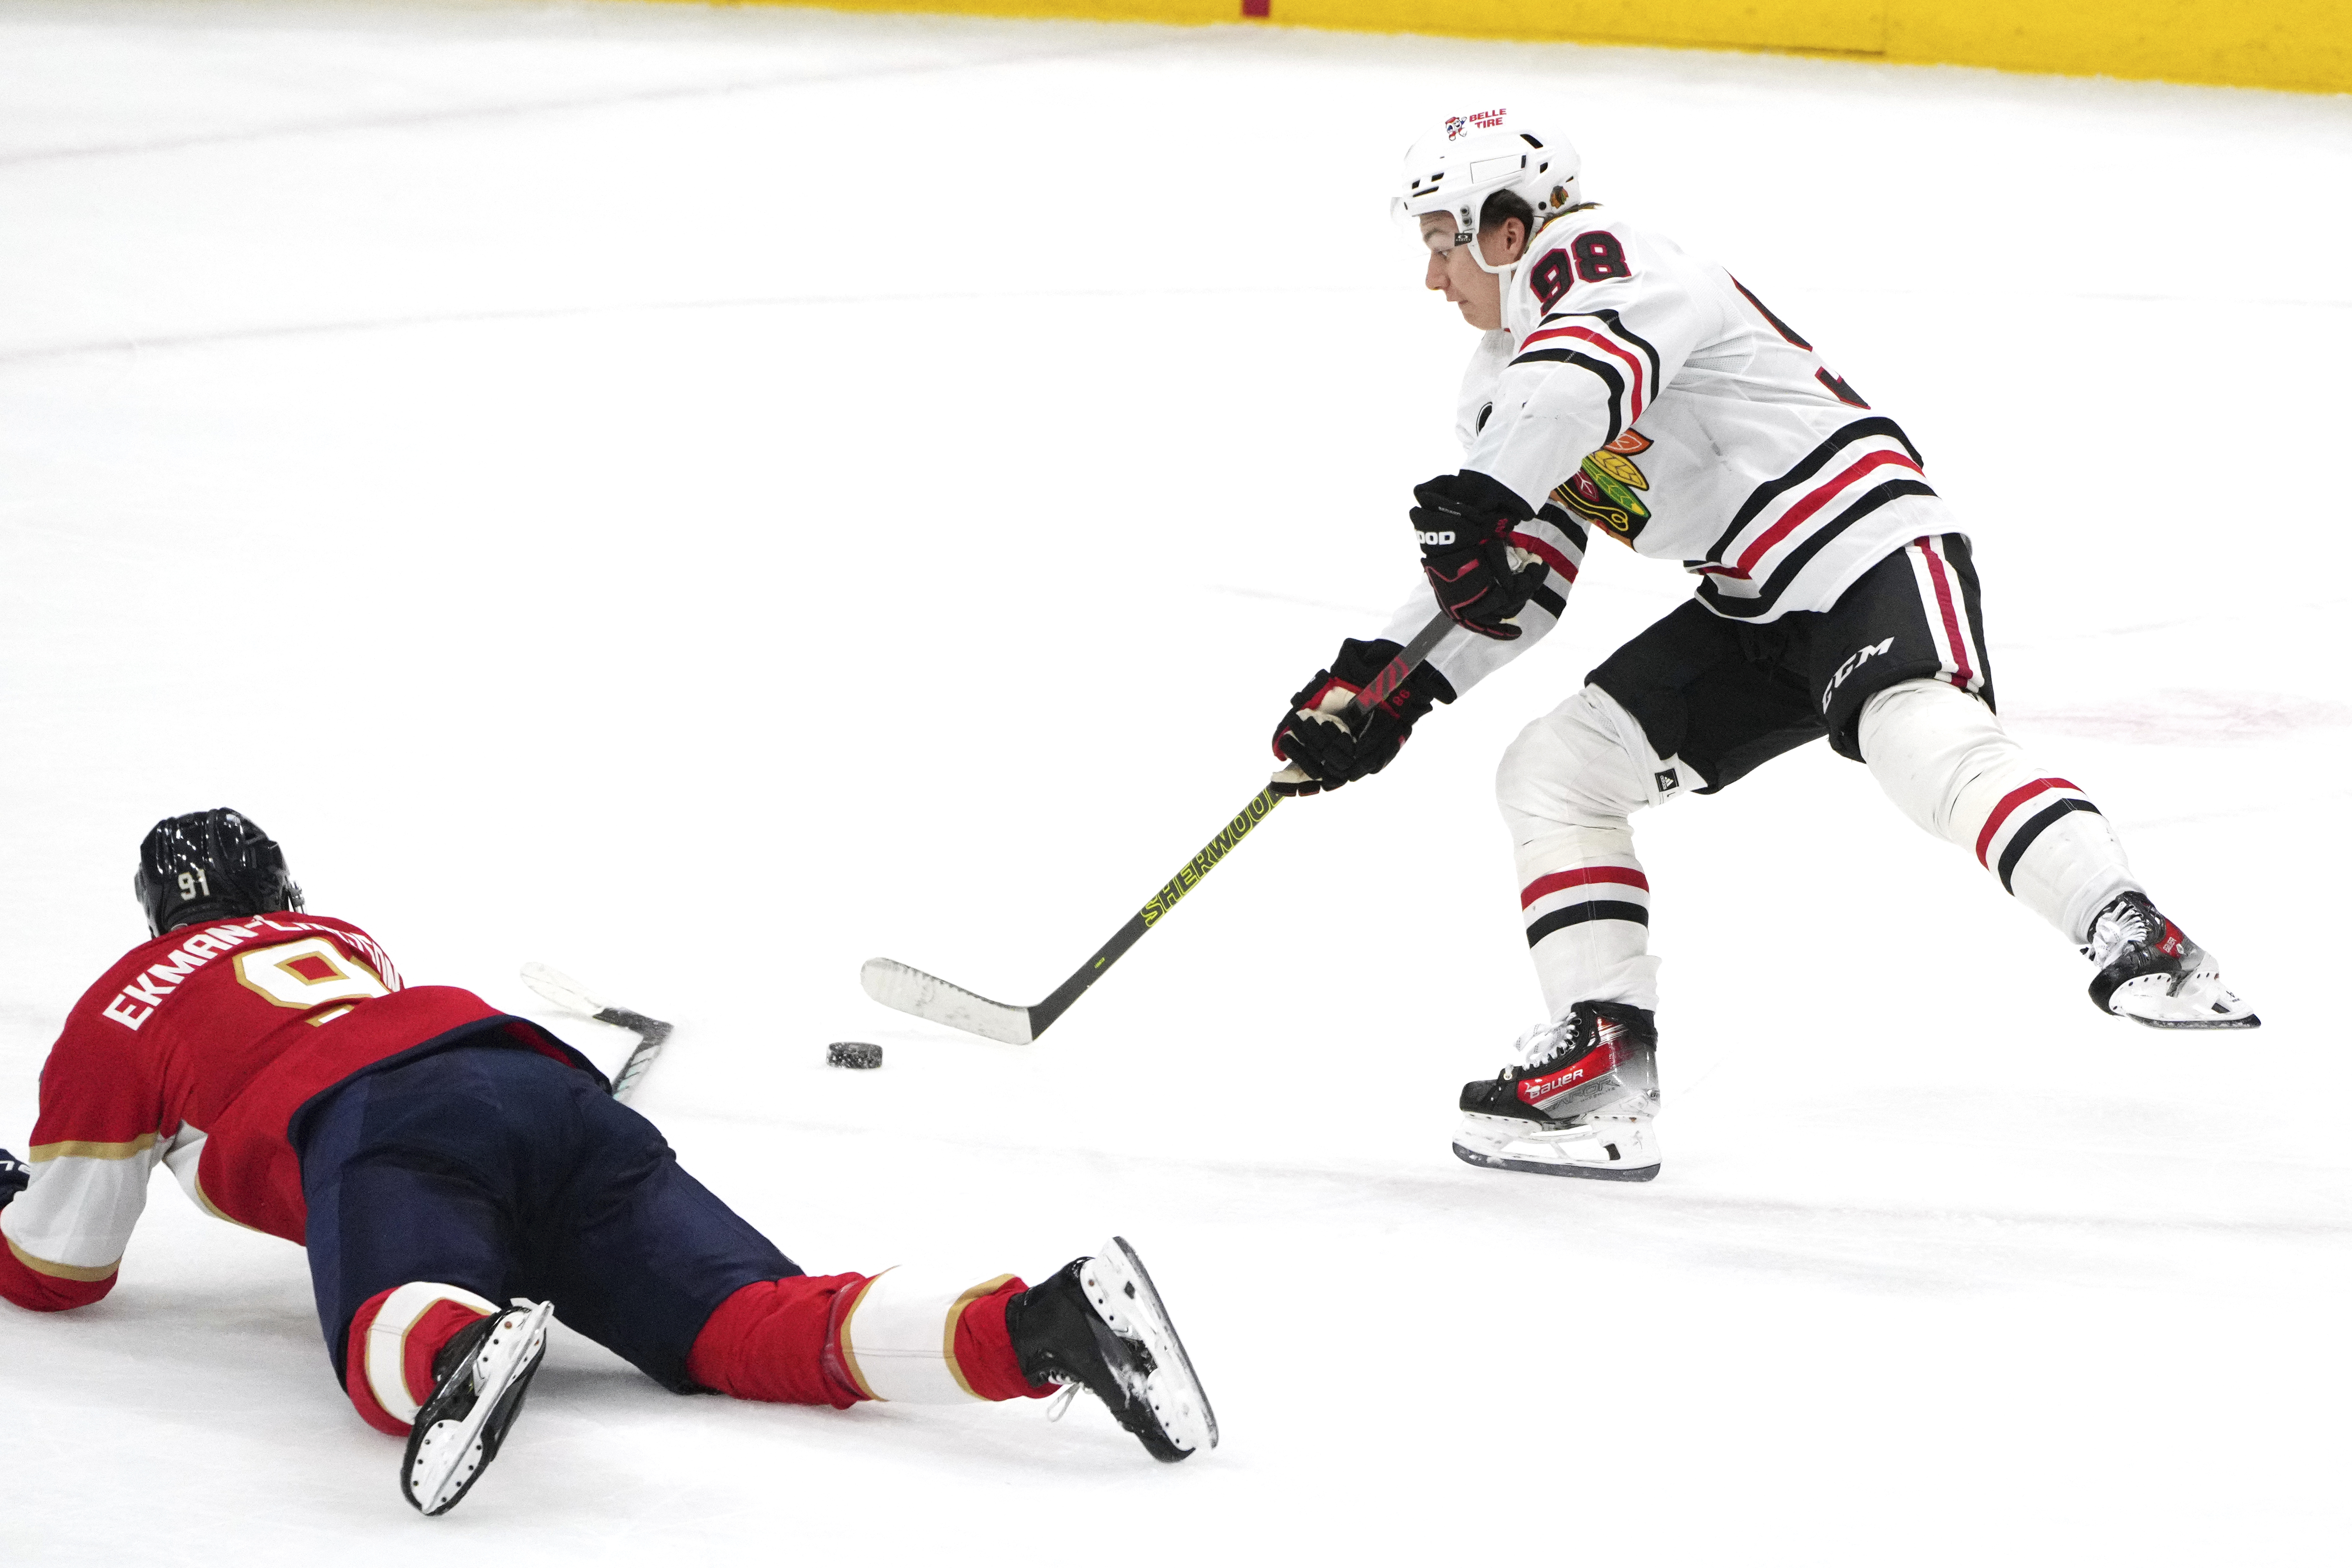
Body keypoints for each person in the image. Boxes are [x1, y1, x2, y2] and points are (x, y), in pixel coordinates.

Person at [1267, 109, 2257, 1183]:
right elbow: (1518, 583)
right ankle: (1603, 1068)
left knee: (1913, 732)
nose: (1430, 278)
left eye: (1440, 241)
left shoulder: (1605, 258)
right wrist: (1381, 691)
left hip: (1861, 541)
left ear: (1505, 227)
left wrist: (1486, 502)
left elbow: (1581, 376)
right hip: (1748, 605)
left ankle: (2126, 930)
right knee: (1552, 774)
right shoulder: (1495, 393)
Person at [0, 809, 1215, 1515]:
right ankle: (1037, 1326)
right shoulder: (336, 935)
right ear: (286, 893)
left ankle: (459, 1344)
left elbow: (61, 1268)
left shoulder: (121, 1005)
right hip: (539, 1086)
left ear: (154, 917)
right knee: (746, 1321)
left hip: (384, 1124)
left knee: (388, 1336)